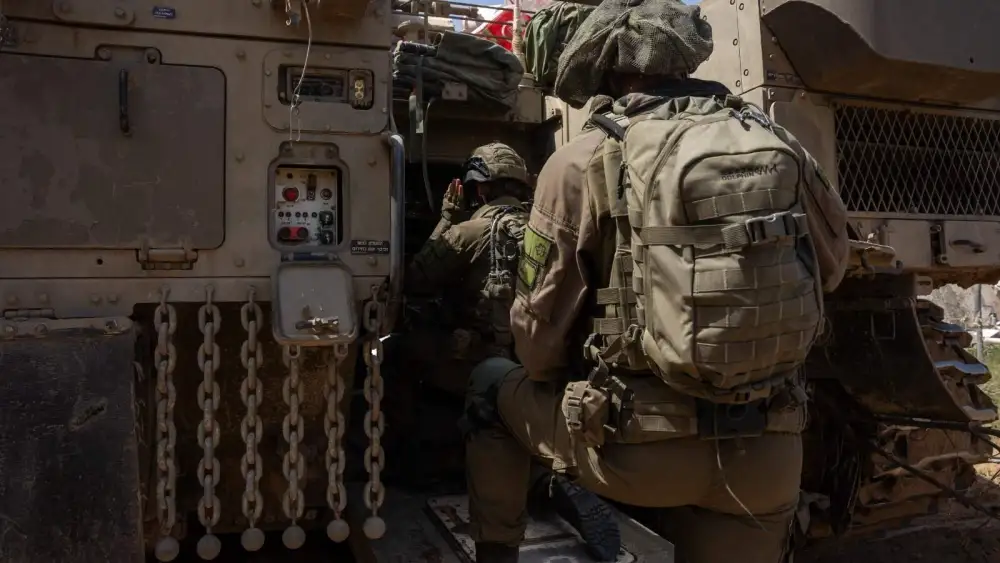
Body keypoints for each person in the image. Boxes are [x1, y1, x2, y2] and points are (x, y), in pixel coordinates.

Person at [461, 1, 852, 563]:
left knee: (489, 383)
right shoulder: (776, 142)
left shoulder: (578, 161)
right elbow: (832, 266)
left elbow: (538, 342)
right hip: (768, 457)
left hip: (636, 455)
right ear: (686, 59)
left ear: (608, 73)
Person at [402, 142, 534, 396]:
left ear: (481, 188)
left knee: (397, 350)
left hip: (477, 362)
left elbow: (414, 279)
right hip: (534, 359)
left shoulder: (469, 232)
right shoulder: (544, 230)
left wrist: (448, 218)